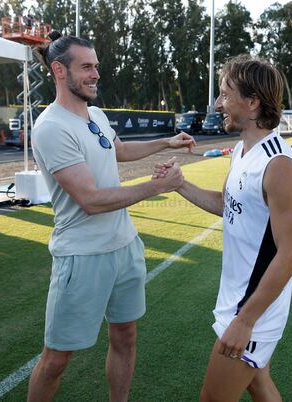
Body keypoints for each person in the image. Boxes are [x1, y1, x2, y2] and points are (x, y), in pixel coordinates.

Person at [28, 31, 195, 402]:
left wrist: (166, 142)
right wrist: (157, 186)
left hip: (124, 247)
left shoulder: (97, 115)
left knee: (126, 336)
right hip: (83, 256)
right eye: (86, 67)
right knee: (56, 358)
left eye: (96, 67)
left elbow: (118, 150)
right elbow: (90, 199)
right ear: (59, 70)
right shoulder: (51, 127)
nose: (96, 74)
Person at [154, 54, 292, 401]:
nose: (218, 103)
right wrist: (180, 184)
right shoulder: (242, 151)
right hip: (238, 301)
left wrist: (245, 321)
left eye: (225, 94)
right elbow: (226, 205)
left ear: (252, 103)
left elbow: (289, 253)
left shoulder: (278, 165)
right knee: (260, 386)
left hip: (252, 311)